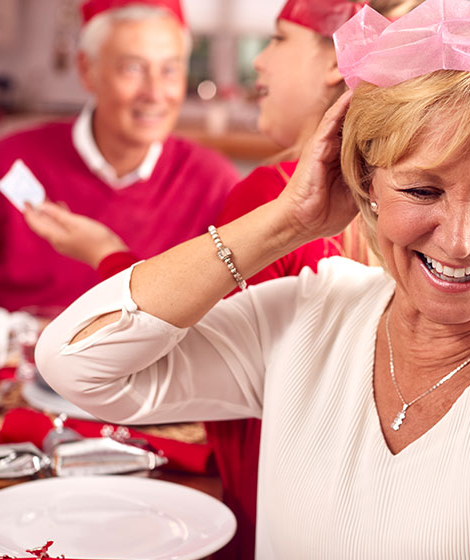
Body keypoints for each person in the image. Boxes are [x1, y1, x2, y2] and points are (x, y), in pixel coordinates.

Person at [36, 0, 470, 558]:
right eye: (422, 192)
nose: (460, 240)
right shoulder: (310, 316)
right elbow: (78, 363)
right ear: (364, 186)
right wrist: (284, 221)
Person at [23, 2, 420, 557]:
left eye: (278, 40)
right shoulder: (387, 201)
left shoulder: (273, 196)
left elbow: (175, 350)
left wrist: (105, 254)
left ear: (335, 60)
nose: (258, 64)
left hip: (260, 510)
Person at [0, 0, 238, 312]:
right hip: (17, 377)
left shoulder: (214, 181)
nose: (155, 93)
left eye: (170, 69)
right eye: (133, 68)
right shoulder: (13, 160)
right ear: (87, 71)